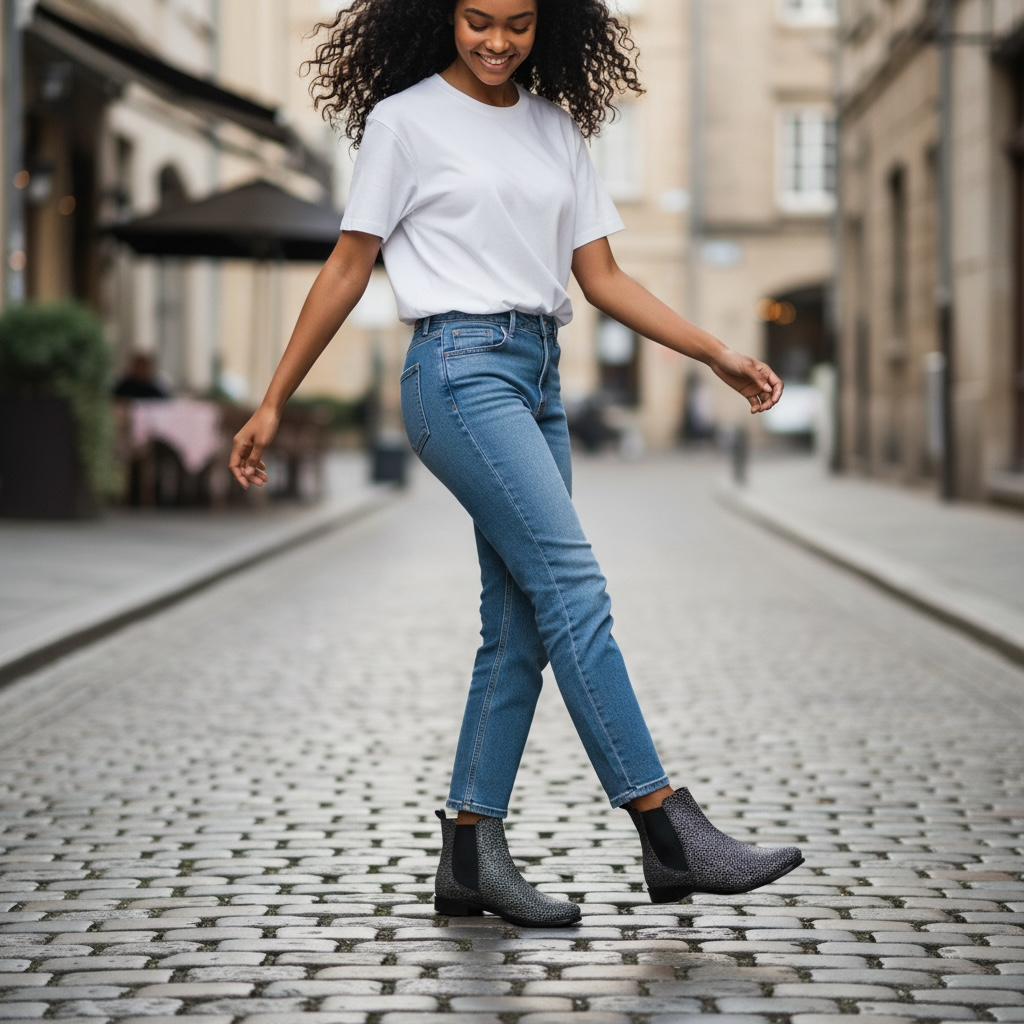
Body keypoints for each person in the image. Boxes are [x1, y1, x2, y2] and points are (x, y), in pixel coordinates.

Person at [229, 0, 803, 928]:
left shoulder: (556, 128)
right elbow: (347, 265)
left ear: (551, 26)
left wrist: (714, 352)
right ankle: (667, 831)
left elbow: (603, 276)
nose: (497, 41)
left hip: (537, 376)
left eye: (520, 24)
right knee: (573, 587)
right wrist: (273, 398)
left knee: (523, 625)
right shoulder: (405, 120)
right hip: (456, 372)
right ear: (441, 16)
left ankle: (468, 854)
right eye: (477, 20)